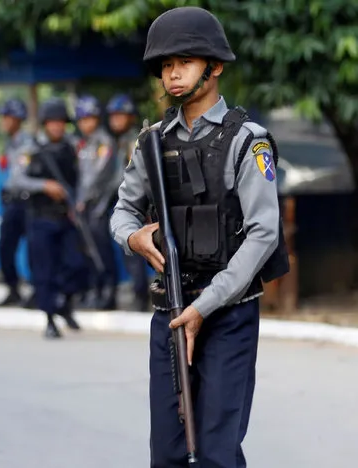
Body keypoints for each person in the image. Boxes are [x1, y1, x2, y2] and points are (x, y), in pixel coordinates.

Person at [110, 7, 289, 467]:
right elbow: (123, 212)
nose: (172, 74)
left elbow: (263, 232)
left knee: (216, 452)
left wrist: (204, 307)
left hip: (227, 314)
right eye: (165, 65)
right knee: (167, 454)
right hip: (169, 312)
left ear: (215, 66)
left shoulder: (249, 142)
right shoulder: (150, 141)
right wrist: (134, 239)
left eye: (184, 62)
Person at [11, 98, 87, 339]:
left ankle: (65, 303)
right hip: (40, 218)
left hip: (67, 217)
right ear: (45, 124)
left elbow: (84, 177)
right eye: (52, 122)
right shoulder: (30, 149)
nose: (57, 127)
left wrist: (79, 202)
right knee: (44, 271)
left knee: (76, 264)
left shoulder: (74, 147)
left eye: (61, 122)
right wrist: (45, 186)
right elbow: (16, 179)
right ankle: (50, 319)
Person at [73, 95, 119, 310]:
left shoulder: (104, 142)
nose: (86, 123)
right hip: (84, 205)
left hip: (100, 204)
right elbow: (79, 176)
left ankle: (109, 291)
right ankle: (95, 289)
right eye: (82, 119)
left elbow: (99, 176)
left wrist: (82, 199)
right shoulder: (83, 144)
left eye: (89, 118)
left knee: (101, 249)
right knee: (87, 249)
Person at [106, 94, 151, 311]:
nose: (116, 120)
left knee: (134, 247)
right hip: (118, 198)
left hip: (135, 201)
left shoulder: (135, 140)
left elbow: (131, 175)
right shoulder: (116, 141)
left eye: (120, 115)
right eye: (113, 116)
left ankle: (140, 296)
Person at [0, 98, 34, 306]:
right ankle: (13, 288)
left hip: (25, 202)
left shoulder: (26, 143)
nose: (3, 121)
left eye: (7, 117)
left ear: (17, 119)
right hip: (11, 202)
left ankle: (36, 291)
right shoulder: (9, 143)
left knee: (33, 249)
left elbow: (21, 175)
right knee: (5, 247)